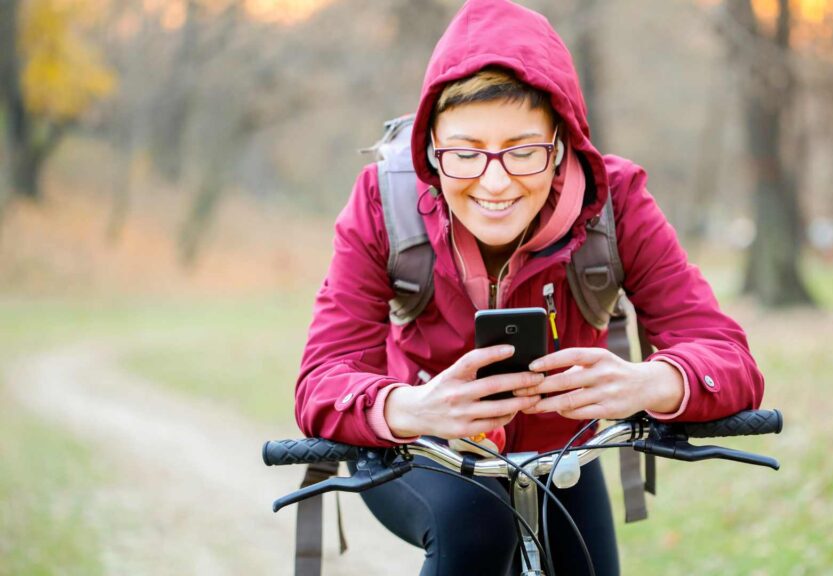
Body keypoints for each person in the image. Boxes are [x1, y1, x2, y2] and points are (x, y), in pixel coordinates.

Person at [295, 0, 765, 574]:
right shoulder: (382, 202)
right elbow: (322, 378)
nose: (494, 182)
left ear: (562, 143)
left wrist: (648, 381)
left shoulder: (615, 201)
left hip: (561, 454)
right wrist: (414, 407)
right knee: (475, 523)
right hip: (417, 445)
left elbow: (729, 358)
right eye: (464, 153)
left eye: (523, 151)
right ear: (430, 151)